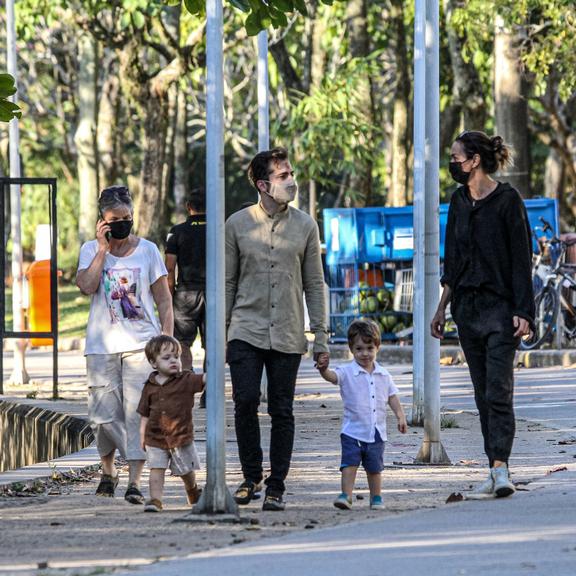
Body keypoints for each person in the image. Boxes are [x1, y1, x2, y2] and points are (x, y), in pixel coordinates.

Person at [431, 130, 535, 499]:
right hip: (468, 311)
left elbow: (523, 259)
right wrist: (441, 308)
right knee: (480, 394)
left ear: (474, 160)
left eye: (457, 157)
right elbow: (453, 262)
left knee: (498, 391)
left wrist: (525, 311)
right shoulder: (459, 202)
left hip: (501, 310)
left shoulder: (508, 201)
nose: (453, 163)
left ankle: (500, 468)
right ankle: (493, 466)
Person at [225, 146, 329, 511]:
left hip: (287, 330)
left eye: (291, 174)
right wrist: (221, 334)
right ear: (263, 184)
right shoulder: (237, 224)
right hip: (244, 328)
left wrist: (320, 336)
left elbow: (315, 284)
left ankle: (277, 485)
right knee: (246, 400)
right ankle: (251, 476)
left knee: (282, 409)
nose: (292, 181)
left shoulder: (305, 226)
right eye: (284, 176)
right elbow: (226, 282)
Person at [76, 185, 173, 504]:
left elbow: (163, 300)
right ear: (102, 221)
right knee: (102, 415)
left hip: (141, 345)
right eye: (115, 219)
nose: (122, 223)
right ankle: (109, 470)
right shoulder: (91, 249)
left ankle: (134, 480)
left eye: (127, 217)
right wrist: (103, 250)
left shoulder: (148, 250)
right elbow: (88, 287)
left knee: (136, 415)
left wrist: (167, 340)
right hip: (101, 346)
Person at [316, 319, 407, 510]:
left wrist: (400, 415)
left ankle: (376, 497)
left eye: (369, 348)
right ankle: (346, 495)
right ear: (351, 349)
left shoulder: (383, 374)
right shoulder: (347, 371)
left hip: (376, 432)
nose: (364, 353)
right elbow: (333, 377)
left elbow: (392, 396)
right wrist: (324, 370)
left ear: (377, 348)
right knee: (349, 464)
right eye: (359, 349)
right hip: (352, 431)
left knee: (375, 468)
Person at [137, 335, 205, 512]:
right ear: (153, 363)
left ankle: (192, 490)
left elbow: (204, 380)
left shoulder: (186, 379)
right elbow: (144, 413)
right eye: (166, 358)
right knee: (156, 469)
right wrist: (142, 435)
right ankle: (155, 500)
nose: (173, 361)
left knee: (186, 471)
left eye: (176, 357)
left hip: (180, 436)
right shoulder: (149, 385)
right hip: (154, 438)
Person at [165, 191, 206, 381]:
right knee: (213, 344)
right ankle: (209, 387)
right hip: (213, 294)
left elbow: (170, 268)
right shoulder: (220, 230)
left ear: (189, 206)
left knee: (182, 342)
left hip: (185, 295)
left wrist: (169, 294)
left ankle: (187, 381)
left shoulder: (176, 231)